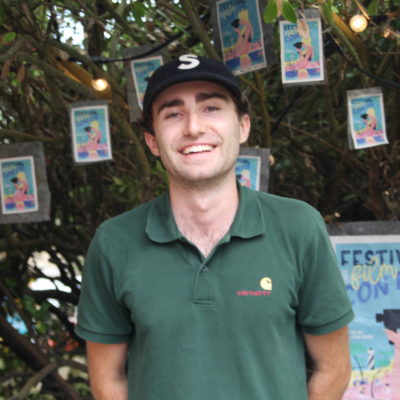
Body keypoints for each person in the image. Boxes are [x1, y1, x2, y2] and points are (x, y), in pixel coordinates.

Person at [76, 54, 354, 400]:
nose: (193, 127)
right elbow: (108, 379)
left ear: (243, 126)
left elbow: (334, 369)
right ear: (152, 141)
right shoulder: (114, 243)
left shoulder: (299, 227)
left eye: (211, 108)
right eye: (173, 114)